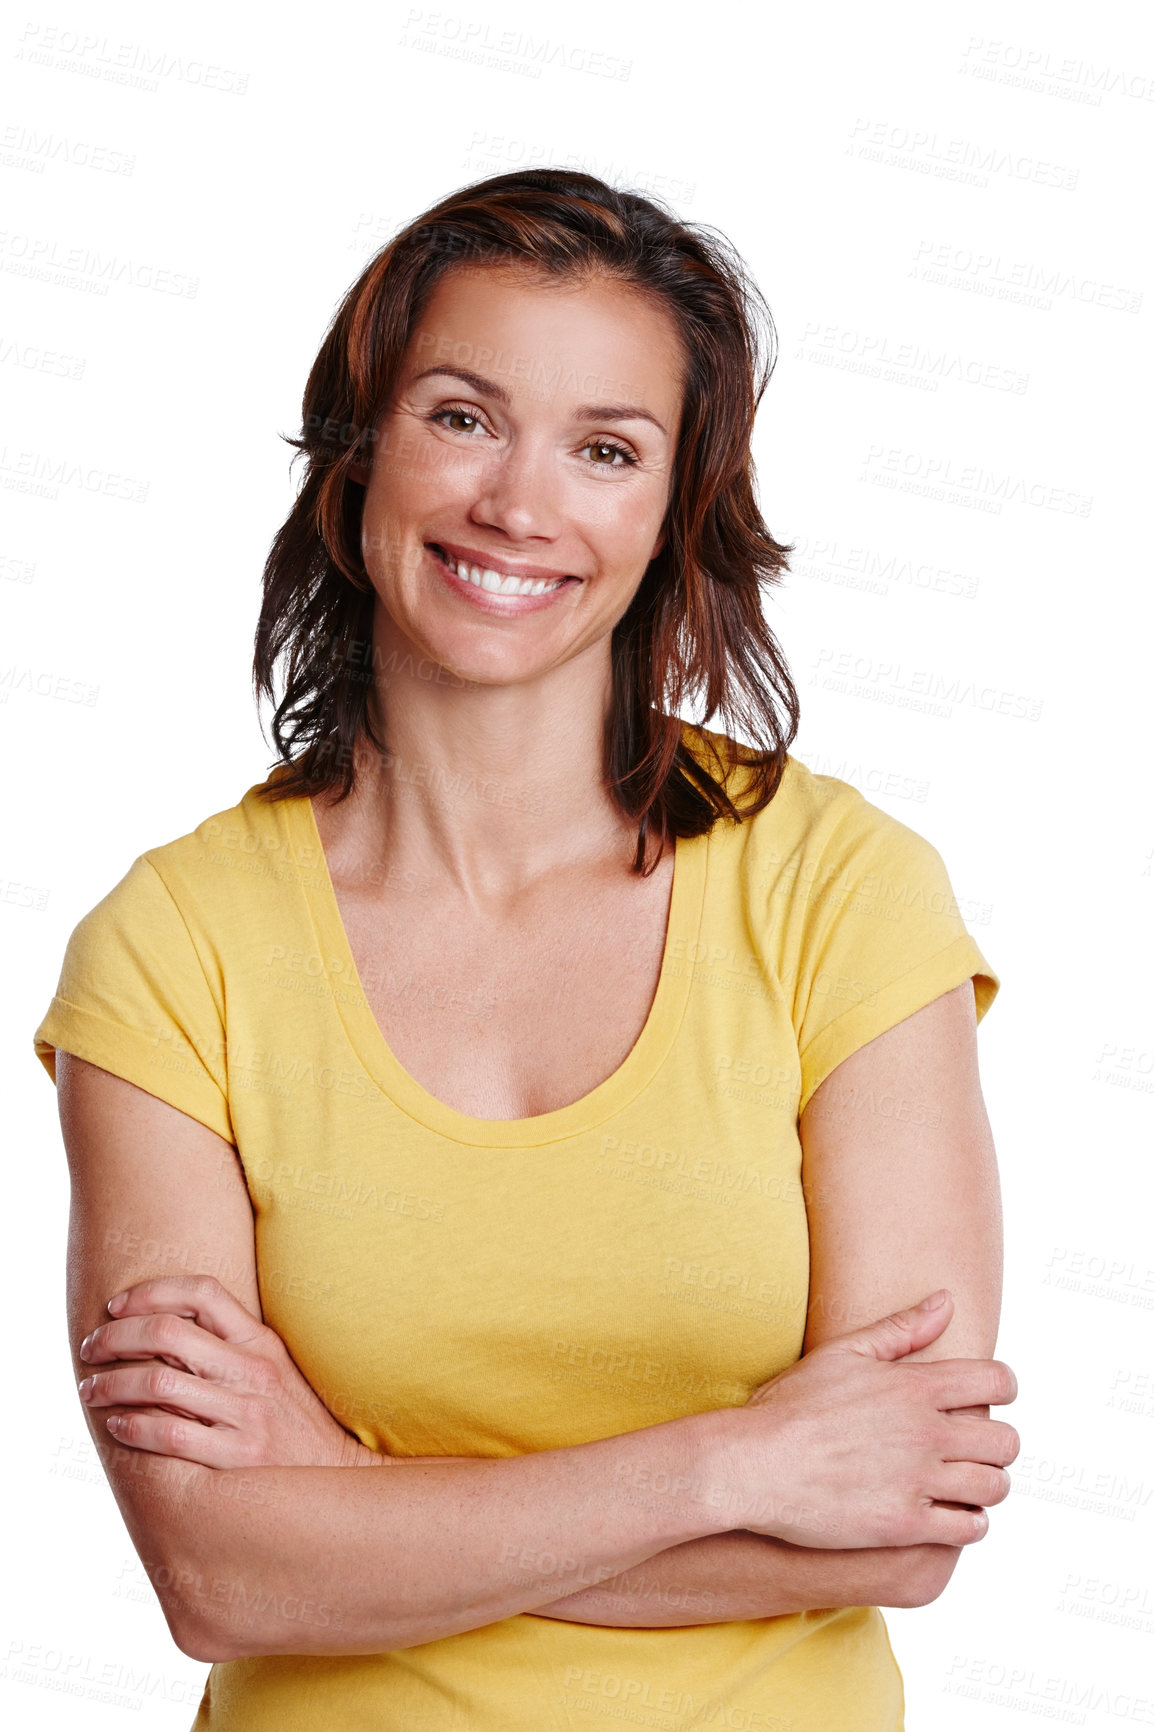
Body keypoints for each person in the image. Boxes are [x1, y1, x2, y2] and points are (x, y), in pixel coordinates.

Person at [33, 169, 1018, 1731]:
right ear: (358, 455)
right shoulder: (174, 948)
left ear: (673, 509)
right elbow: (218, 1576)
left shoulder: (840, 891)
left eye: (606, 450)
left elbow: (901, 1526)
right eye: (460, 417)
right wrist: (734, 1464)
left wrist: (347, 1500)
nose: (519, 505)